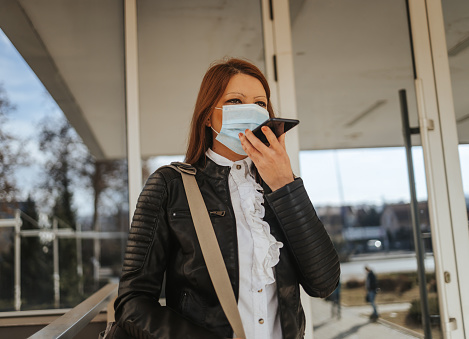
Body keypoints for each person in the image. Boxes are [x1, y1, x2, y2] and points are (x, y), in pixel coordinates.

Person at [113, 58, 340, 339]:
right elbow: (132, 303)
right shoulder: (169, 186)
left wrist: (286, 185)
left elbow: (324, 283)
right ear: (208, 116)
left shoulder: (279, 189)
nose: (250, 111)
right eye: (235, 100)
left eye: (260, 104)